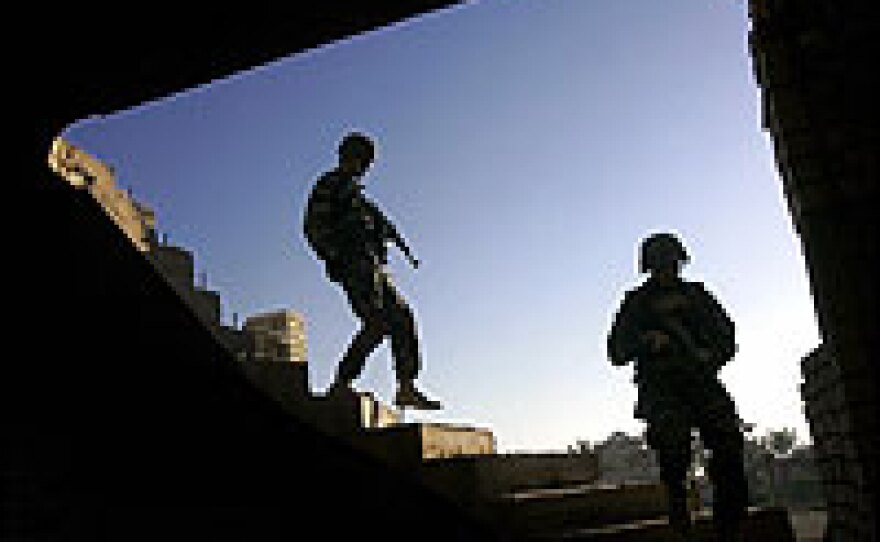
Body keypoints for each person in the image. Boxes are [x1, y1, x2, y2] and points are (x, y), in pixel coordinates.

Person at [607, 232, 748, 541]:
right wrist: (646, 342)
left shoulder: (698, 297)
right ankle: (681, 524)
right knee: (673, 456)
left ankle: (731, 526)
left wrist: (710, 354)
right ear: (649, 267)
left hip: (701, 380)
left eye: (671, 262)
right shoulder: (637, 303)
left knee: (728, 446)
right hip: (662, 387)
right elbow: (616, 351)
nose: (667, 269)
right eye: (660, 264)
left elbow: (726, 337)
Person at [303, 131, 441, 410]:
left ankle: (406, 386)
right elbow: (313, 227)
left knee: (402, 316)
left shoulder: (359, 197)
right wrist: (335, 257)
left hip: (375, 268)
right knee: (376, 324)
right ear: (348, 157)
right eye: (360, 160)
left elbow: (380, 224)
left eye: (366, 162)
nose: (364, 168)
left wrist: (396, 243)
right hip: (354, 266)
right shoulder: (330, 185)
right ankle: (342, 383)